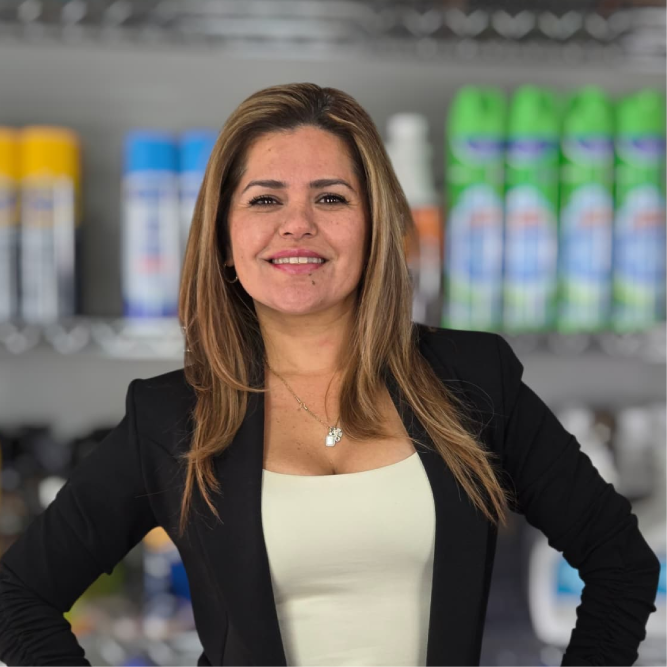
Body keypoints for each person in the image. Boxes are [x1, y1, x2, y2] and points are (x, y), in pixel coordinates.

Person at [0, 82, 660, 667]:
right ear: (225, 237)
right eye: (264, 198)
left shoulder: (470, 378)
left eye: (330, 196)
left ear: (375, 227)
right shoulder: (172, 416)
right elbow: (16, 595)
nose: (297, 224)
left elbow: (620, 561)